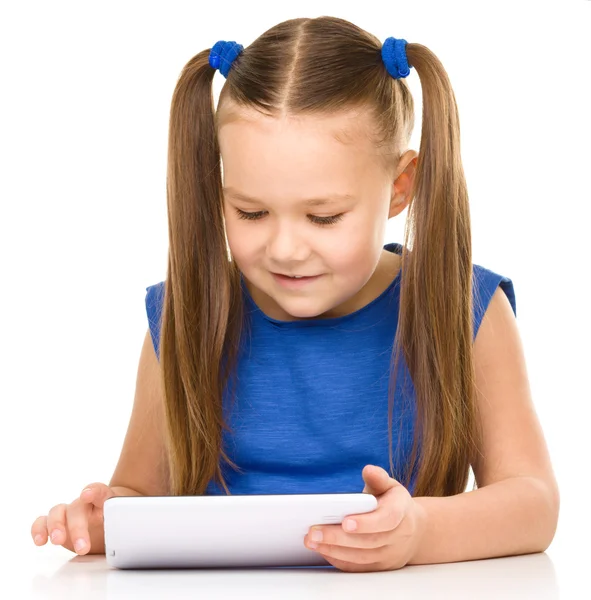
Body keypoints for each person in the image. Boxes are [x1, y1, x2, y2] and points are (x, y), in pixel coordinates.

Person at [30, 16, 559, 573]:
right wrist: (105, 518)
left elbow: (534, 502)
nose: (285, 249)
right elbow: (139, 492)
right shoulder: (184, 316)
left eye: (323, 217)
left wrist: (420, 532)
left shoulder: (465, 309)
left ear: (400, 187)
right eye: (251, 212)